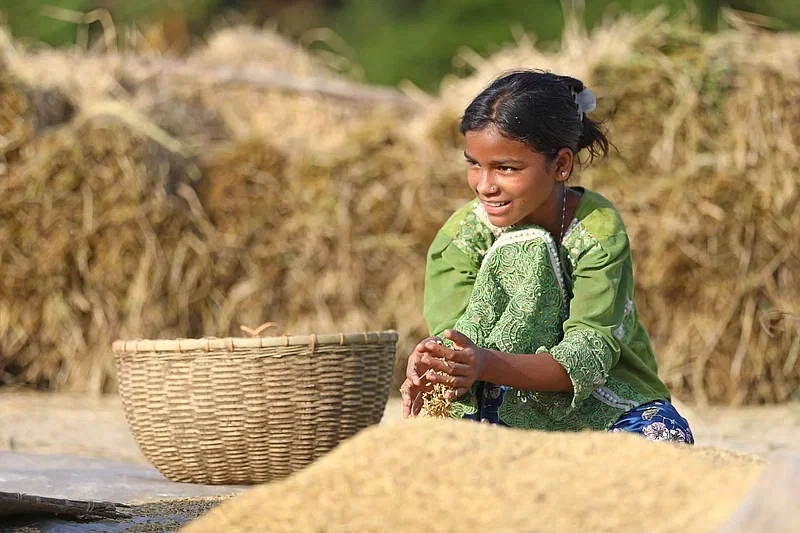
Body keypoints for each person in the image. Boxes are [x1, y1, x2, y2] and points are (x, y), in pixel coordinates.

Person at [399, 70, 693, 443]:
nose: (485, 185)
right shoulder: (461, 238)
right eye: (474, 164)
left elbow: (588, 353)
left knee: (663, 438)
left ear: (561, 165)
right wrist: (434, 364)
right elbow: (454, 338)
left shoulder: (596, 230)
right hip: (492, 400)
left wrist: (484, 362)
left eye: (506, 168)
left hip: (596, 399)